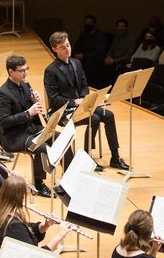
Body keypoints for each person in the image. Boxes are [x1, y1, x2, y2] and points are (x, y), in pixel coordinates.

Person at [44, 31, 128, 171]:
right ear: (54, 49)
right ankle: (87, 157)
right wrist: (74, 102)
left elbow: (84, 86)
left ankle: (115, 157)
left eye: (68, 45)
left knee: (109, 115)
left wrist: (83, 98)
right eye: (63, 47)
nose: (67, 49)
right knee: (94, 118)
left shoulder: (76, 63)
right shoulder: (51, 71)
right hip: (64, 111)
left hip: (82, 106)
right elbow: (54, 99)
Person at [0, 54, 51, 196]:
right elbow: (5, 121)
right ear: (11, 72)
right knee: (42, 147)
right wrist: (28, 113)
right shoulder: (3, 93)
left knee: (60, 137)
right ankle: (39, 184)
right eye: (22, 71)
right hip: (14, 136)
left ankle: (69, 178)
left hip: (31, 129)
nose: (25, 73)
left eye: (26, 69)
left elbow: (31, 109)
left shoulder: (26, 85)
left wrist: (33, 101)